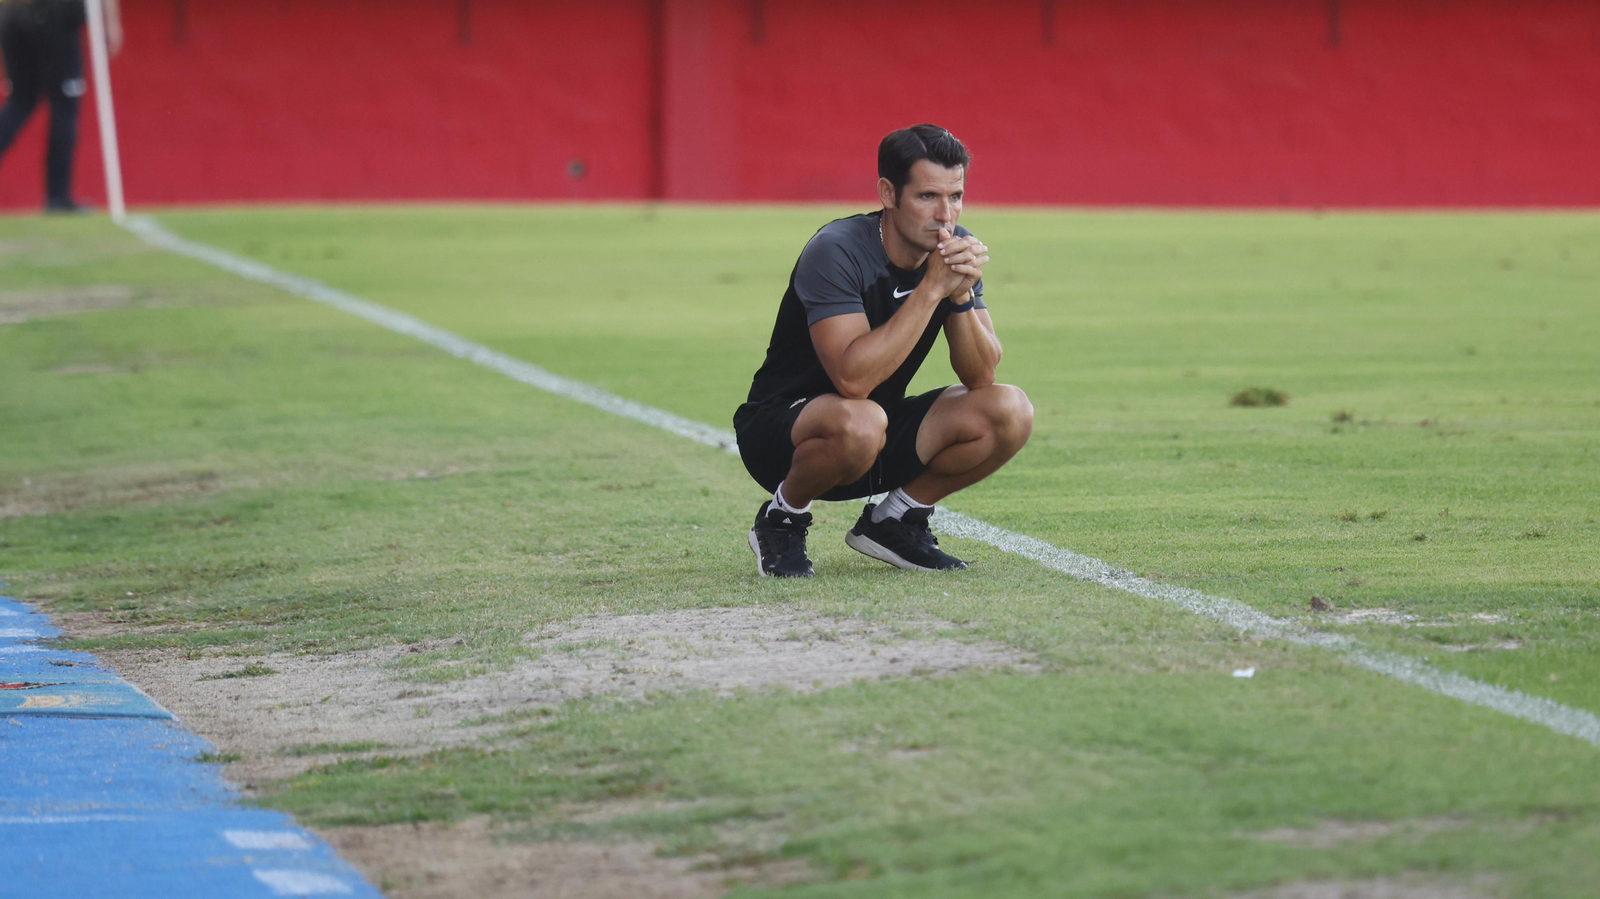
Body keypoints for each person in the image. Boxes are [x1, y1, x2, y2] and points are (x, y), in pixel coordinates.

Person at [734, 124, 1033, 577]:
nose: (945, 215)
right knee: (861, 419)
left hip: (877, 430)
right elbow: (853, 380)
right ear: (888, 193)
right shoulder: (836, 251)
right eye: (928, 196)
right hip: (783, 434)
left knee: (1010, 409)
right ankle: (783, 518)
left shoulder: (951, 250)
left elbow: (981, 376)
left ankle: (896, 520)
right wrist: (931, 289)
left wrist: (959, 295)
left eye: (955, 196)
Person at [0, 0, 121, 212]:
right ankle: (58, 197)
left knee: (21, 100)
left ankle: (58, 196)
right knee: (64, 104)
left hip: (11, 13)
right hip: (54, 14)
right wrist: (111, 22)